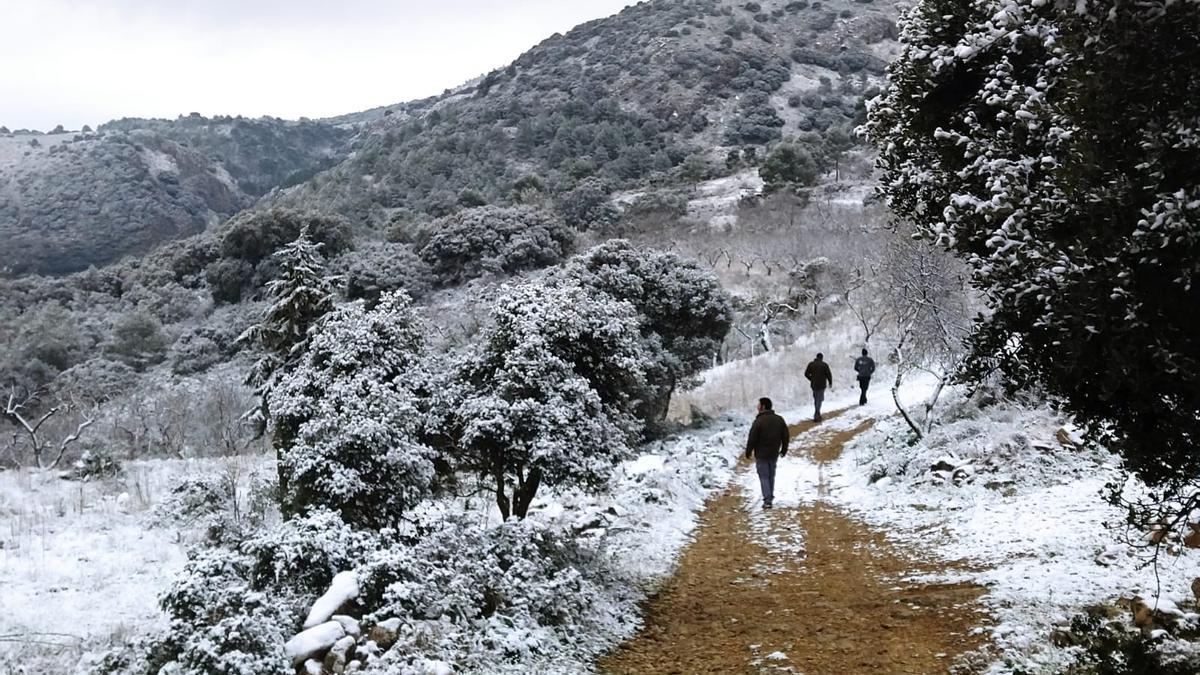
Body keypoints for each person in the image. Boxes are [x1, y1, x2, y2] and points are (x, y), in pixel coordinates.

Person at [745, 397, 789, 509]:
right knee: (770, 475)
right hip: (774, 453)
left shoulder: (758, 421)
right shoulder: (779, 419)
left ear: (763, 406)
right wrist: (784, 449)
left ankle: (767, 500)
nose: (757, 407)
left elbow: (752, 438)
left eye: (759, 405)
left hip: (761, 454)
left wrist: (748, 451)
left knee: (764, 476)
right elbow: (785, 436)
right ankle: (769, 497)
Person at [804, 353, 833, 422]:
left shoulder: (811, 364)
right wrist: (830, 382)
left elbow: (806, 374)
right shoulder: (824, 365)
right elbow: (829, 375)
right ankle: (816, 415)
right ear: (822, 358)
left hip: (814, 385)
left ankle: (817, 413)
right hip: (822, 385)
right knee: (819, 400)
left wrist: (811, 379)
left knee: (816, 399)